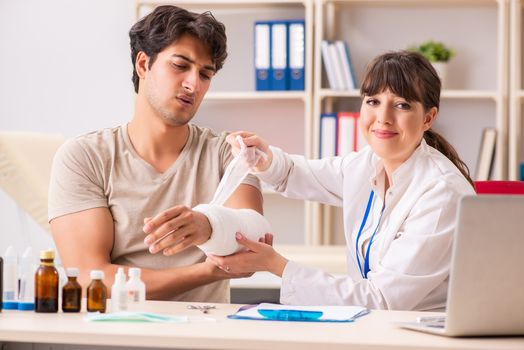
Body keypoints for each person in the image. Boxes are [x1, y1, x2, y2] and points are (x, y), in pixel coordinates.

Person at [209, 51, 476, 311]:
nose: (383, 117)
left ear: (428, 118)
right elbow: (293, 173)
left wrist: (275, 264)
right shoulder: (364, 165)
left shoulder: (441, 193)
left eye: (402, 105)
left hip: (421, 334)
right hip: (371, 325)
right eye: (373, 101)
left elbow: (383, 299)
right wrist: (262, 158)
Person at [48, 5, 265, 303]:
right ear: (143, 65)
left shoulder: (228, 153)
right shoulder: (84, 157)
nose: (194, 84)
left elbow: (253, 239)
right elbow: (89, 277)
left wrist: (208, 225)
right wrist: (207, 272)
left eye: (205, 74)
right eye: (180, 65)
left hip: (206, 337)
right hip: (116, 336)